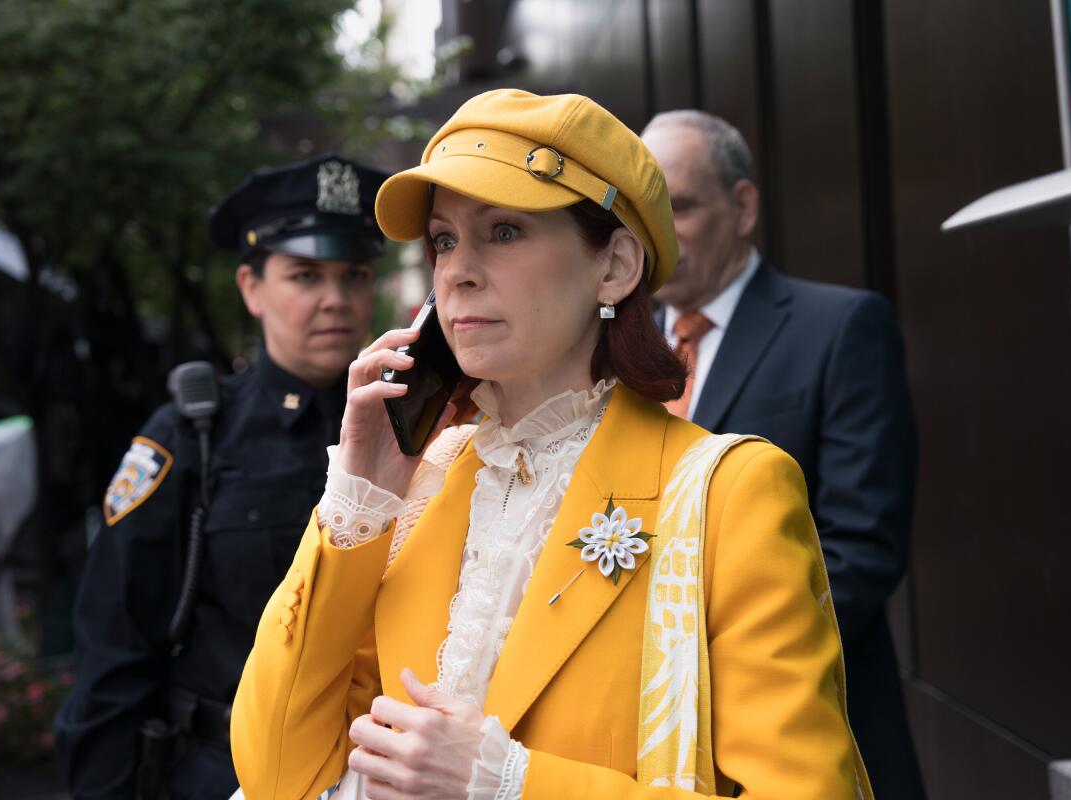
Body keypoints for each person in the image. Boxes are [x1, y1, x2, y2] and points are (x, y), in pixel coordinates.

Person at [230, 89, 874, 800]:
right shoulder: (421, 487)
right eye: (444, 239)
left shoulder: (731, 491)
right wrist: (357, 500)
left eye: (503, 231)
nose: (457, 270)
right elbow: (276, 772)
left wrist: (511, 784)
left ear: (616, 266)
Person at [54, 154, 389, 799]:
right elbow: (116, 640)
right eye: (305, 275)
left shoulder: (422, 428)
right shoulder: (192, 434)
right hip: (224, 771)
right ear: (251, 287)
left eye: (354, 275)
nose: (336, 299)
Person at [641, 110, 924, 799]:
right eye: (646, 211)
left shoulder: (842, 327)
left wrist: (698, 656)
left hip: (807, 725)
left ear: (742, 207)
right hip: (648, 740)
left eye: (679, 206)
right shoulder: (613, 351)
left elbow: (861, 546)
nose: (659, 233)